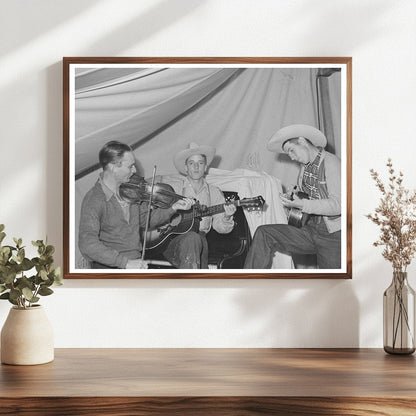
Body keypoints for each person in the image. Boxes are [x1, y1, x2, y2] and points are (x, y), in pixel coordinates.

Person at [78, 141, 193, 269]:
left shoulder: (130, 192)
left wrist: (173, 208)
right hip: (109, 266)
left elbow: (146, 220)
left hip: (136, 262)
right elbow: (87, 243)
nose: (135, 170)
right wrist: (124, 263)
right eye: (130, 166)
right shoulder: (94, 199)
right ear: (113, 167)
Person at [244, 124, 341, 269]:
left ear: (302, 141)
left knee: (331, 285)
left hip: (332, 236)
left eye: (291, 151)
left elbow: (339, 205)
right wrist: (293, 196)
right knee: (264, 233)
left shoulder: (332, 162)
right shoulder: (305, 167)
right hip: (310, 230)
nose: (292, 157)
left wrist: (302, 204)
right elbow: (305, 198)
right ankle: (248, 282)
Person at [161, 143, 237, 268]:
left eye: (200, 163)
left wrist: (227, 217)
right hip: (171, 240)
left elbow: (221, 228)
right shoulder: (174, 188)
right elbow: (156, 215)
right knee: (192, 238)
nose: (196, 167)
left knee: (195, 238)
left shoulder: (214, 192)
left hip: (200, 241)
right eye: (191, 163)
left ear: (205, 167)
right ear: (186, 167)